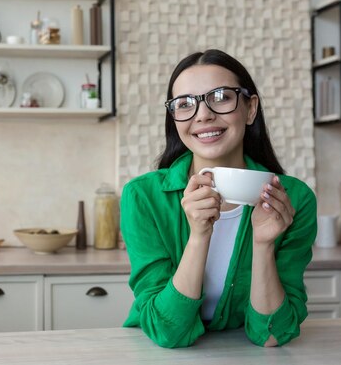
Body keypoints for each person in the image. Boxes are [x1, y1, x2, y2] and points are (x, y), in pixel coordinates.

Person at [120, 49, 317, 348]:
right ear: (174, 117)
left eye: (222, 97)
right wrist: (199, 236)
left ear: (250, 109)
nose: (203, 115)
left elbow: (273, 335)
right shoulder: (143, 197)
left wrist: (263, 245)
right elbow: (166, 332)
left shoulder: (293, 199)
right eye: (184, 104)